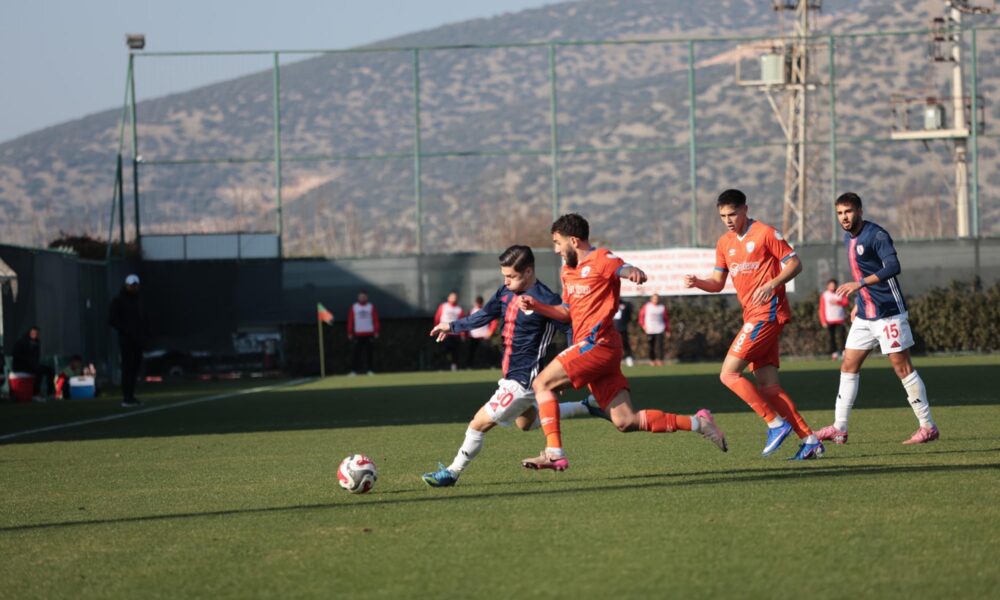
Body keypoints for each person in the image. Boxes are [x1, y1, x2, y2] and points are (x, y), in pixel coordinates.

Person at [518, 214, 727, 471]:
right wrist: (537, 306)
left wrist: (633, 272)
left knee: (541, 383)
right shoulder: (567, 271)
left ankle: (554, 453)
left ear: (573, 241)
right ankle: (698, 423)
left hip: (598, 344)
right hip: (598, 350)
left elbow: (621, 267)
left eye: (557, 243)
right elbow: (566, 312)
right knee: (625, 421)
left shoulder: (601, 258)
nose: (556, 249)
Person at [422, 245, 607, 487]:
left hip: (524, 380)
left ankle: (452, 472)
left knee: (478, 424)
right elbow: (484, 315)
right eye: (504, 276)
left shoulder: (546, 300)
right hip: (512, 375)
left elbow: (571, 329)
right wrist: (452, 326)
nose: (506, 281)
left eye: (511, 276)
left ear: (528, 271)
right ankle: (586, 407)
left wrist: (569, 369)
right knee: (526, 423)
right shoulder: (505, 292)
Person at [684, 189, 823, 460]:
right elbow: (717, 283)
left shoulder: (765, 233)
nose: (728, 220)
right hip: (753, 316)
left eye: (732, 214)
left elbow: (795, 264)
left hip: (767, 314)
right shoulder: (724, 243)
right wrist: (698, 282)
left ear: (745, 209)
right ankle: (810, 441)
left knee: (728, 374)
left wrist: (772, 284)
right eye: (723, 216)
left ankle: (775, 424)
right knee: (769, 387)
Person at [815, 193, 939, 445]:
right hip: (865, 314)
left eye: (848, 211)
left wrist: (859, 285)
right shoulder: (847, 238)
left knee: (902, 368)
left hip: (888, 313)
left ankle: (928, 427)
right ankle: (839, 427)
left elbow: (893, 267)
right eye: (840, 213)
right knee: (848, 365)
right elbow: (861, 271)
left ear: (860, 211)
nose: (844, 217)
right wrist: (858, 303)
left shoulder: (877, 235)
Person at [109, 274, 149, 408]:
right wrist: (126, 330)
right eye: (131, 285)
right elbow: (112, 320)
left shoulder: (139, 301)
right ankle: (126, 397)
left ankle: (131, 396)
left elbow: (143, 319)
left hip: (138, 340)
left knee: (135, 368)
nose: (134, 287)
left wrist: (143, 336)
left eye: (135, 285)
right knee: (127, 368)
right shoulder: (118, 301)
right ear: (126, 285)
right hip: (126, 340)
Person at [12, 326, 54, 400]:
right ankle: (35, 394)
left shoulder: (37, 342)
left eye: (37, 333)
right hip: (20, 366)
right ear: (29, 333)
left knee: (50, 370)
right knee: (38, 372)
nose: (35, 334)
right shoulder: (22, 342)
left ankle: (50, 394)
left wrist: (34, 364)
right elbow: (15, 354)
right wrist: (29, 362)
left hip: (32, 365)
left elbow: (36, 357)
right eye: (33, 333)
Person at [347, 290, 380, 376]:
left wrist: (376, 331)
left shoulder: (371, 306)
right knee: (356, 353)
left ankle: (370, 370)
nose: (362, 298)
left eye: (364, 296)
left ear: (367, 297)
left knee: (369, 353)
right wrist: (350, 332)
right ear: (358, 297)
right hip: (358, 334)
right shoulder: (354, 307)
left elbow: (375, 320)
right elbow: (350, 320)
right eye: (361, 296)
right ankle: (353, 371)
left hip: (369, 334)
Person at [433, 291, 465, 371]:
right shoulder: (443, 306)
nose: (454, 298)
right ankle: (440, 366)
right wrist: (436, 329)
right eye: (452, 297)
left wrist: (462, 334)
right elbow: (437, 318)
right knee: (443, 350)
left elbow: (462, 322)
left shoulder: (459, 309)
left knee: (455, 352)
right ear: (448, 298)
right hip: (443, 334)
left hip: (455, 334)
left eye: (455, 297)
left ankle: (454, 366)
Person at [465, 295, 498, 369]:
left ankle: (491, 365)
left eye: (480, 303)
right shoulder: (471, 311)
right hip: (473, 335)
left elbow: (493, 322)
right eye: (477, 303)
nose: (478, 304)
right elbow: (466, 322)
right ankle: (469, 366)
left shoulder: (486, 310)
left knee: (488, 351)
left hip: (484, 335)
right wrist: (466, 333)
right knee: (471, 351)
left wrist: (490, 332)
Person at [819, 279, 849, 359]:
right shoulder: (824, 295)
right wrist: (823, 321)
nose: (832, 286)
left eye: (834, 285)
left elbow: (846, 303)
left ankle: (843, 352)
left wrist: (837, 302)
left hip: (840, 319)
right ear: (827, 286)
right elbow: (822, 308)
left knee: (842, 336)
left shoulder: (841, 292)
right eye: (831, 285)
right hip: (829, 320)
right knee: (831, 337)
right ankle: (834, 353)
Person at [639, 294, 670, 366]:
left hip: (660, 329)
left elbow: (666, 319)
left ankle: (660, 360)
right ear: (651, 299)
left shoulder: (662, 307)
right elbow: (641, 317)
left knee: (660, 346)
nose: (656, 300)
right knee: (651, 346)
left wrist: (667, 330)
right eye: (654, 298)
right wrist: (643, 326)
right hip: (650, 330)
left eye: (657, 298)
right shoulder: (647, 306)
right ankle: (652, 360)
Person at [613, 299, 635, 367]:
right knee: (612, 345)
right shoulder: (609, 303)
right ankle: (613, 359)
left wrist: (624, 323)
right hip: (611, 329)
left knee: (625, 343)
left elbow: (629, 316)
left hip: (622, 328)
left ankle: (628, 358)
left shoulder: (625, 305)